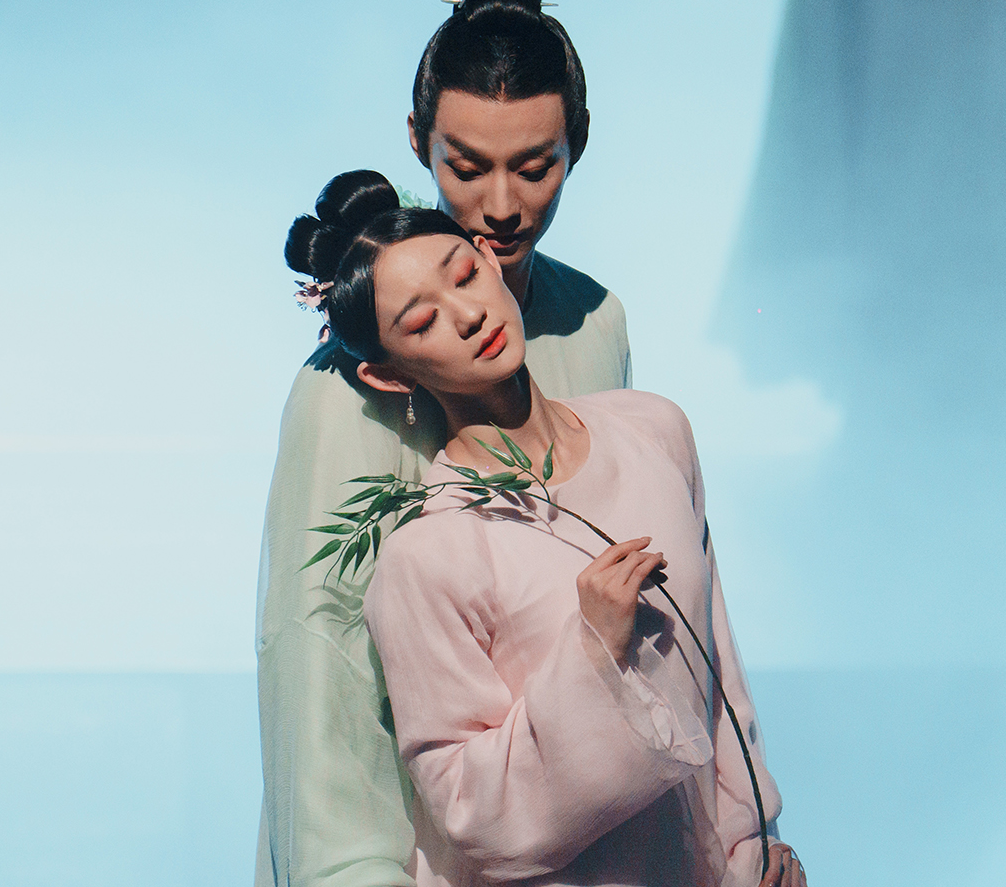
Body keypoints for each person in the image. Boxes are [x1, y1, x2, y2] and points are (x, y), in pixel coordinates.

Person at [288, 170, 802, 886]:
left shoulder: (654, 430)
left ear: (487, 257)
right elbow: (471, 813)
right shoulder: (428, 554)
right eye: (422, 322)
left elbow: (719, 678)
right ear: (388, 375)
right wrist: (593, 652)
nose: (468, 315)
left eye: (464, 275)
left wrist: (757, 845)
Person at [255, 0, 630, 887]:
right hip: (416, 852)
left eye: (534, 167)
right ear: (418, 142)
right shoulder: (343, 392)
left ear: (578, 143)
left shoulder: (593, 322)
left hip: (590, 833)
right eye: (465, 168)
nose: (501, 205)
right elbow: (318, 650)